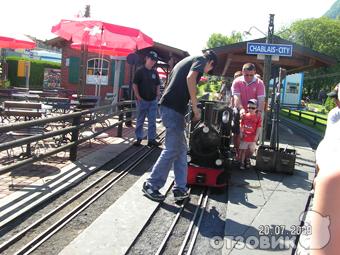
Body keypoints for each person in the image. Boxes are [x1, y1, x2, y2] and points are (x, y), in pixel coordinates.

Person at [142, 50, 218, 202]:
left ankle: (180, 189)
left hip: (172, 108)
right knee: (172, 149)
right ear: (211, 63)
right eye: (210, 69)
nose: (207, 72)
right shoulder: (201, 59)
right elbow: (190, 78)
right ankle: (151, 184)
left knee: (181, 150)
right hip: (173, 108)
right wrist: (195, 106)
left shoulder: (185, 61)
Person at [232, 63, 265, 162]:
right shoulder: (237, 81)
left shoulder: (259, 83)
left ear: (255, 73)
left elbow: (261, 100)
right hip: (240, 108)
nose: (249, 77)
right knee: (237, 132)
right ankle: (238, 153)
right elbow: (236, 97)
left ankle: (246, 157)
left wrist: (258, 112)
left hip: (253, 110)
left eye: (251, 75)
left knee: (252, 135)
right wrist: (241, 109)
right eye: (246, 75)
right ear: (242, 72)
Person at [132, 51, 161, 146]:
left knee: (152, 121)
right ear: (147, 58)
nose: (153, 62)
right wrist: (138, 96)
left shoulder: (155, 72)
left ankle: (151, 139)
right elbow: (135, 84)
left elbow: (157, 85)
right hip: (142, 100)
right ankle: (138, 138)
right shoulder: (140, 71)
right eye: (151, 59)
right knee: (140, 120)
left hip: (152, 100)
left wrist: (157, 95)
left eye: (154, 60)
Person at [239, 99, 262, 170]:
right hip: (245, 136)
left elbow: (259, 127)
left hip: (252, 137)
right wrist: (241, 133)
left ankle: (248, 159)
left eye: (253, 108)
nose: (250, 109)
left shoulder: (258, 117)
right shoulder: (245, 116)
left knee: (251, 150)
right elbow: (241, 125)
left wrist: (257, 136)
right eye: (249, 108)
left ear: (256, 109)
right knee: (243, 150)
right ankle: (242, 162)